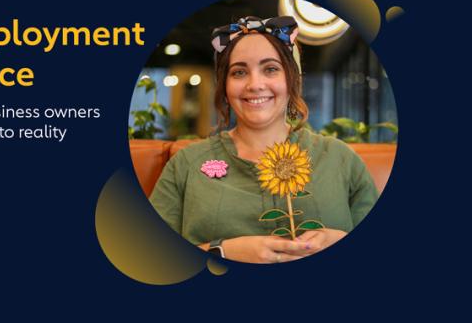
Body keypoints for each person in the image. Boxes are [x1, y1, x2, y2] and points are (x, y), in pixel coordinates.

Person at [149, 16, 379, 264]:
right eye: (239, 72)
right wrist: (221, 251)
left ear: (293, 78)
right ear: (224, 86)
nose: (255, 84)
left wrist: (340, 240)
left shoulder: (340, 159)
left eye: (270, 69)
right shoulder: (185, 164)